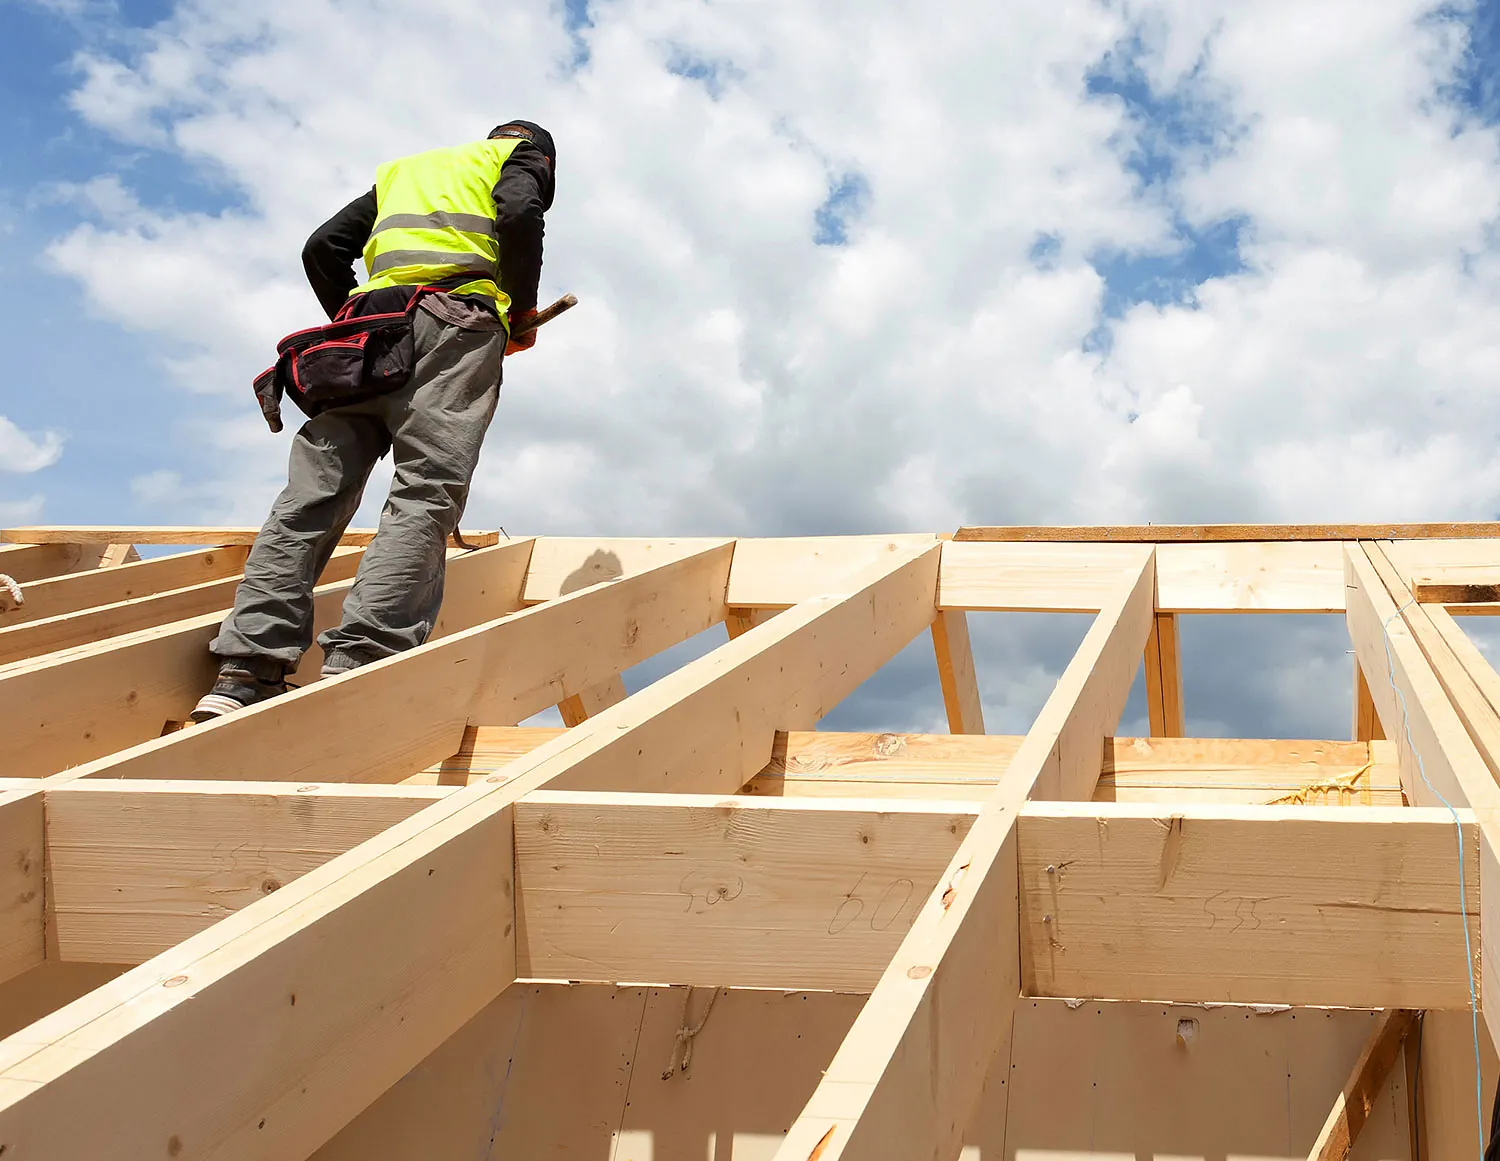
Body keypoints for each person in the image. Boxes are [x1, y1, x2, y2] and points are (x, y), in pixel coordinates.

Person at [191, 120, 556, 721]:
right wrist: (517, 312)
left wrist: (352, 316)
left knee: (309, 496)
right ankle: (362, 664)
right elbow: (518, 215)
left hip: (363, 335)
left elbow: (323, 246)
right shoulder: (521, 159)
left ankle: (244, 671)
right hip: (454, 324)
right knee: (424, 492)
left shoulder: (405, 171)